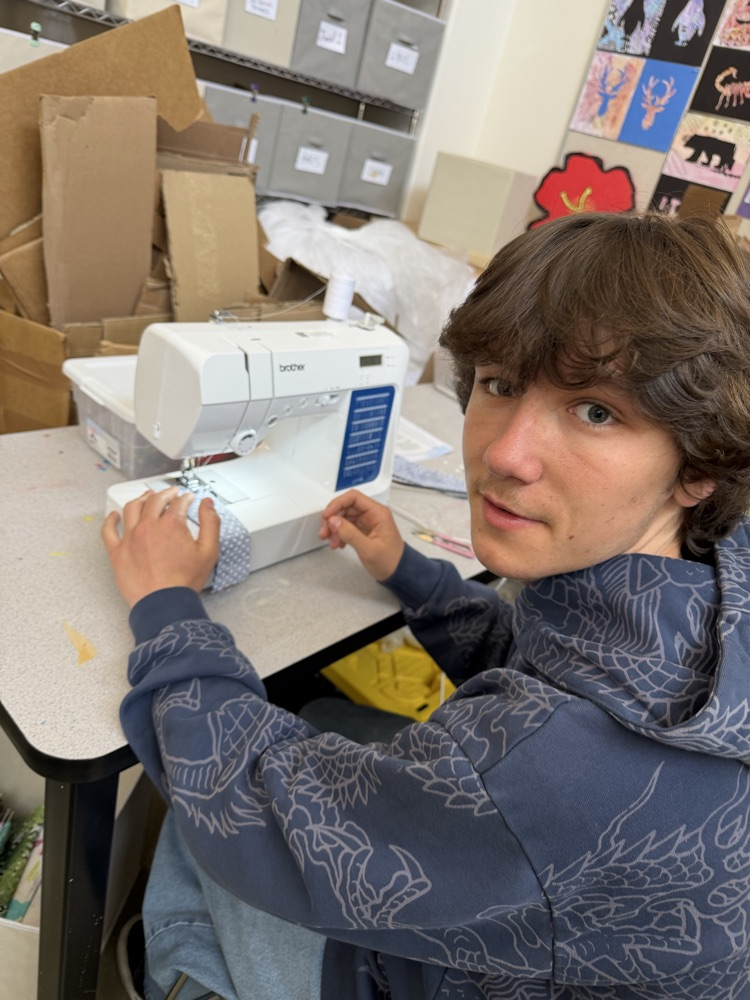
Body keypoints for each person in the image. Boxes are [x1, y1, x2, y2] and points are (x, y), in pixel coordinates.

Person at [103, 210, 750, 1000]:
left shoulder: (543, 772)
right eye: (500, 384)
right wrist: (411, 573)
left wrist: (167, 602)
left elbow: (250, 806)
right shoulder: (715, 580)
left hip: (446, 978)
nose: (505, 455)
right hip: (561, 928)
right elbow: (551, 668)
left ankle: (178, 974)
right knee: (328, 722)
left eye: (595, 410)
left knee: (194, 815)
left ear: (701, 465)